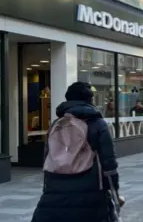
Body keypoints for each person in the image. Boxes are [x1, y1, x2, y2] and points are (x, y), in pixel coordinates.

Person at [31, 82, 120, 222]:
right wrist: (114, 190)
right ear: (89, 100)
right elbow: (109, 162)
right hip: (91, 193)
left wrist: (47, 188)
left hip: (55, 193)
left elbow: (47, 158)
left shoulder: (56, 124)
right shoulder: (98, 124)